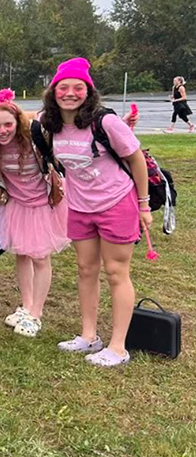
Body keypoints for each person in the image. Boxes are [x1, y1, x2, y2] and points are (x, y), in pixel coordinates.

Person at [42, 57, 151, 367]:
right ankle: (89, 336)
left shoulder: (105, 123)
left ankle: (118, 347)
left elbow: (136, 160)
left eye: (79, 87)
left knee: (116, 272)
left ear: (88, 92)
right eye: (64, 87)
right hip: (79, 206)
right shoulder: (52, 124)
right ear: (54, 91)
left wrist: (143, 205)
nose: (70, 93)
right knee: (85, 270)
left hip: (116, 203)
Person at [0, 91, 70, 337]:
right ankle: (26, 305)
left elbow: (63, 124)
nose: (3, 130)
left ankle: (36, 315)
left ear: (18, 122)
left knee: (40, 257)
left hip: (44, 203)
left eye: (8, 124)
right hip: (16, 205)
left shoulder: (35, 136)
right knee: (21, 254)